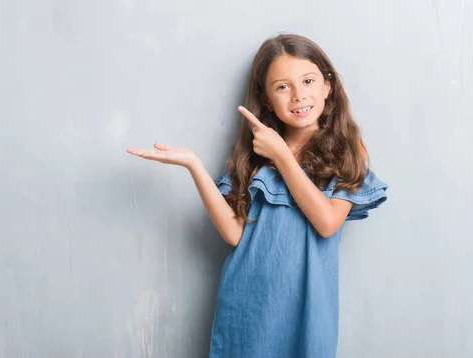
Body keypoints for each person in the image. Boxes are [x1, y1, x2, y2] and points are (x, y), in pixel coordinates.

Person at [126, 33, 388, 358]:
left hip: (307, 309)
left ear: (327, 86)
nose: (298, 95)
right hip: (248, 307)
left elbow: (327, 222)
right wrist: (194, 165)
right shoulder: (254, 154)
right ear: (266, 99)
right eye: (282, 86)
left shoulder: (347, 150)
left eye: (308, 81)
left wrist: (282, 155)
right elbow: (235, 234)